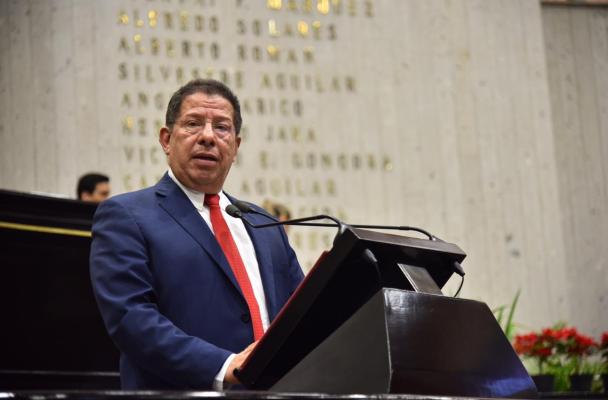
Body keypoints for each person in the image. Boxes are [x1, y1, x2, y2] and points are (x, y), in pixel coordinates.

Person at [89, 79, 304, 390]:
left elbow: (301, 313)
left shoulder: (263, 223)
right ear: (166, 139)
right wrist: (225, 366)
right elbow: (131, 319)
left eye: (222, 127)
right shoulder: (126, 216)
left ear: (236, 146)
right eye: (193, 124)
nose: (208, 137)